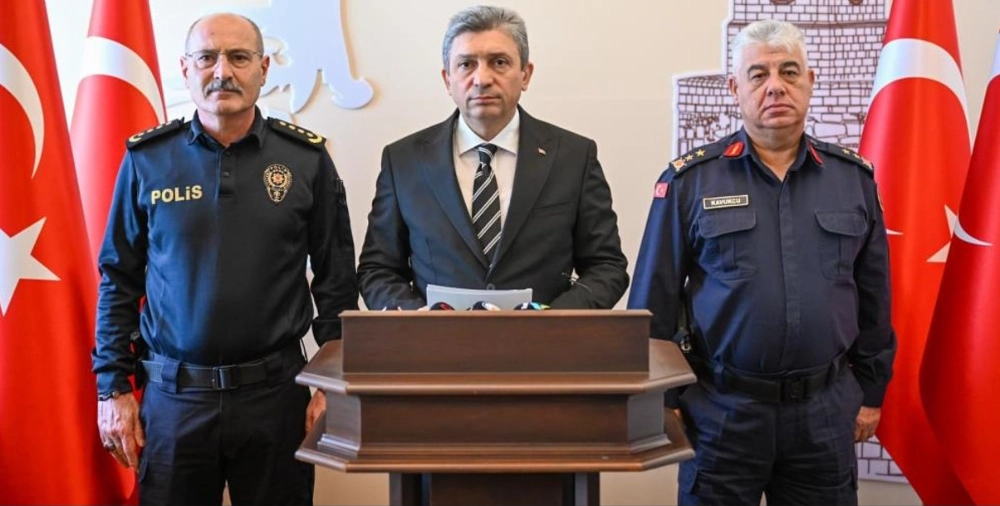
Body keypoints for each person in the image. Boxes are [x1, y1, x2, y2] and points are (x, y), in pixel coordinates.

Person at [91, 13, 358, 505]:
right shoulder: (148, 159)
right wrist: (112, 388)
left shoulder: (305, 160)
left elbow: (336, 279)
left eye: (238, 57)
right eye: (207, 58)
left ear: (263, 68)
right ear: (185, 69)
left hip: (275, 397)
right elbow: (118, 279)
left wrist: (333, 383)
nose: (222, 72)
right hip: (174, 400)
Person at [628, 19, 896, 505]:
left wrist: (871, 392)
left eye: (789, 72)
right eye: (758, 74)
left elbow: (874, 297)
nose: (775, 86)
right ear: (735, 89)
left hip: (824, 414)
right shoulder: (690, 182)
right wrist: (662, 403)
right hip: (721, 412)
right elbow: (652, 303)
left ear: (809, 82)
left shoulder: (852, 180)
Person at [357, 5, 628, 310]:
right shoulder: (404, 161)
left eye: (499, 62)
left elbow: (607, 267)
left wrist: (553, 321)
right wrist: (419, 320)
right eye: (466, 64)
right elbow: (378, 270)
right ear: (448, 80)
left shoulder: (573, 157)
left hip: (545, 339)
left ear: (525, 75)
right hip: (436, 339)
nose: (482, 79)